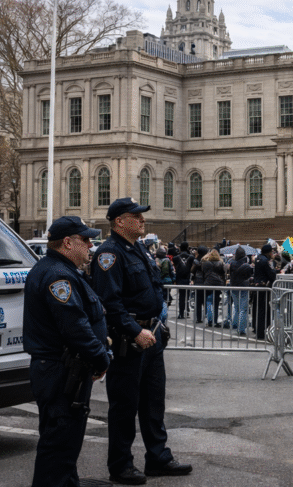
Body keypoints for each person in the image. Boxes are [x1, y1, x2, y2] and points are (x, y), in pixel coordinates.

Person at [91, 198, 192, 484]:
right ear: (119, 221)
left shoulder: (138, 249)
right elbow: (109, 302)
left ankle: (158, 457)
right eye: (136, 216)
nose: (142, 220)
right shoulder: (109, 254)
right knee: (124, 406)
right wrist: (134, 330)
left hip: (152, 336)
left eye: (142, 216)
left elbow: (153, 287)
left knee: (153, 402)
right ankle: (120, 464)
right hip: (130, 339)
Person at [24, 216, 110, 487]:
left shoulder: (63, 269)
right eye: (85, 240)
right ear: (67, 242)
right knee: (59, 442)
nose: (90, 245)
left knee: (65, 440)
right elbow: (74, 326)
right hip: (61, 370)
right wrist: (101, 357)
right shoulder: (58, 274)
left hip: (65, 368)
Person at [251, 244, 278, 339]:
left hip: (257, 286)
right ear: (269, 252)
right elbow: (271, 274)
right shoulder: (266, 261)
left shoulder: (258, 258)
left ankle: (257, 329)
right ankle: (262, 332)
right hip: (264, 287)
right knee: (264, 310)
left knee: (257, 309)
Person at [226, 247, 252, 335]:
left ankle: (235, 324)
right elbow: (248, 275)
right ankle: (241, 329)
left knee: (236, 307)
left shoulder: (231, 263)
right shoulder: (246, 264)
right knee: (243, 309)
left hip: (233, 287)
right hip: (244, 287)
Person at [199, 249, 226, 327]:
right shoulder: (220, 263)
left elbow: (203, 273)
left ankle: (210, 320)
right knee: (216, 303)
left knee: (209, 302)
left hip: (208, 283)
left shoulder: (205, 263)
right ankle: (215, 321)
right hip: (218, 284)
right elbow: (223, 274)